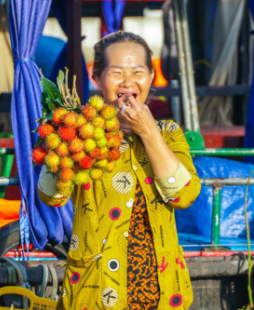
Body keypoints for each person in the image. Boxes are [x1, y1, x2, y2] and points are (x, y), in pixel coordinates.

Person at [38, 31, 201, 310]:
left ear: (150, 77)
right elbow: (51, 196)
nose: (127, 82)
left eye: (138, 71)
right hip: (95, 290)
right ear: (97, 79)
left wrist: (148, 132)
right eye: (116, 73)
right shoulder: (80, 134)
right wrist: (64, 143)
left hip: (162, 292)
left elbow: (184, 196)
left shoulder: (169, 134)